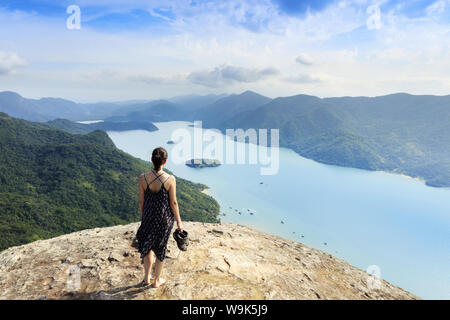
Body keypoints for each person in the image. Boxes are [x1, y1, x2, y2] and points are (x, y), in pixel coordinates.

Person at [136, 147, 183, 288]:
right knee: (161, 248)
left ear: (152, 160)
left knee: (148, 246)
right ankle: (156, 280)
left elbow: (141, 201)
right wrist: (179, 223)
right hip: (164, 220)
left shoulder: (143, 178)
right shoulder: (170, 179)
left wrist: (143, 216)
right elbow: (173, 203)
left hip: (148, 217)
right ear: (165, 161)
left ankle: (146, 277)